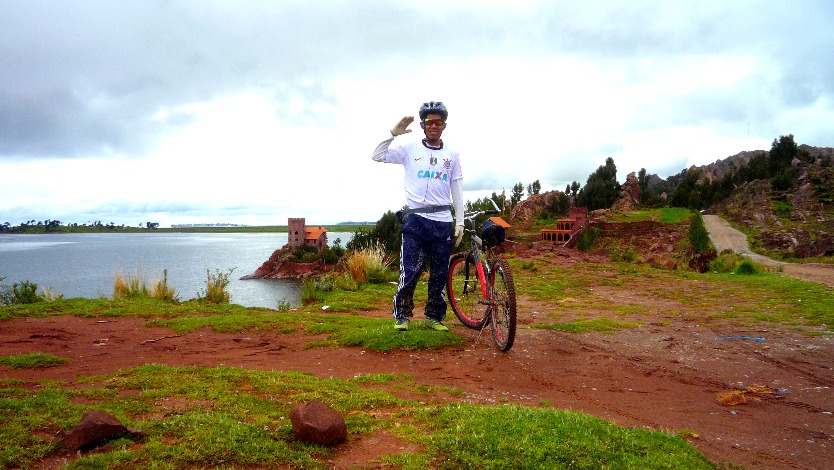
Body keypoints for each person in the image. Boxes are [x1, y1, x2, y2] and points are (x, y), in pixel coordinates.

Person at [372, 101, 464, 331]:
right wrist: (392, 134)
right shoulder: (410, 149)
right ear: (422, 125)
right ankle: (402, 316)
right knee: (410, 270)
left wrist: (459, 221)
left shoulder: (452, 155)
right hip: (416, 221)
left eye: (438, 122)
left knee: (440, 273)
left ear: (444, 125)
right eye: (429, 122)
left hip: (442, 220)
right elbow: (377, 155)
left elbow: (457, 189)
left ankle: (434, 317)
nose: (434, 125)